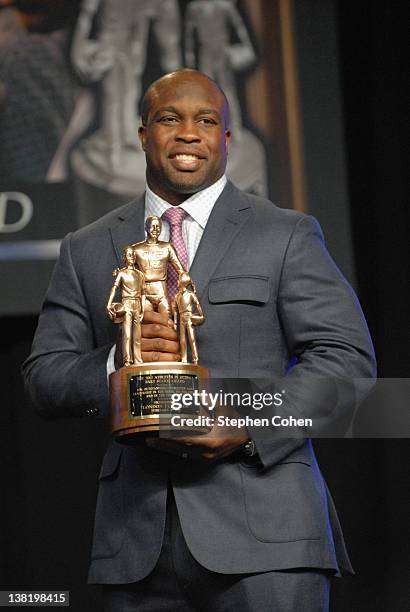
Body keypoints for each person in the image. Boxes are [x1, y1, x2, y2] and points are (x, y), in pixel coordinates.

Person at [23, 69, 376, 611]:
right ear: (143, 134)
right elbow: (45, 378)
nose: (189, 133)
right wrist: (122, 356)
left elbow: (349, 366)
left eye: (206, 121)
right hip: (135, 546)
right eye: (170, 118)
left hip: (268, 540)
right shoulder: (87, 248)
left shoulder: (284, 232)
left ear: (226, 139)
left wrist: (243, 423)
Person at [130, 215, 185, 318]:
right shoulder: (136, 249)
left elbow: (180, 269)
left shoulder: (167, 247)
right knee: (146, 323)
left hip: (161, 291)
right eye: (152, 227)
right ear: (146, 228)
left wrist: (185, 279)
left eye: (158, 227)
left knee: (168, 322)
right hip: (144, 294)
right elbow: (130, 271)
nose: (156, 230)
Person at [106, 246, 145, 366]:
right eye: (129, 255)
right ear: (124, 257)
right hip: (126, 303)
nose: (132, 257)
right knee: (127, 334)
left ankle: (138, 360)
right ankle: (127, 360)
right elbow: (114, 288)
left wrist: (142, 309)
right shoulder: (122, 273)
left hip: (137, 304)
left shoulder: (140, 274)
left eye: (133, 254)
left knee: (137, 335)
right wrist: (109, 304)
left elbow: (143, 293)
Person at [172, 272, 204, 364]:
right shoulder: (177, 296)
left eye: (179, 280)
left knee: (191, 339)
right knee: (182, 340)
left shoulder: (190, 294)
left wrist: (201, 315)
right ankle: (184, 359)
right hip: (181, 318)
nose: (177, 282)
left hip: (189, 317)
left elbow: (197, 304)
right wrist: (175, 322)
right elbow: (175, 310)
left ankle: (195, 359)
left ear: (182, 282)